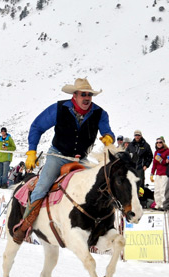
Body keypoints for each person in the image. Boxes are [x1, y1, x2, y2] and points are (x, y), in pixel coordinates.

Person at [14, 78, 114, 243]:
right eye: (83, 94)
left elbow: (107, 131)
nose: (87, 97)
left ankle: (94, 228)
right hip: (57, 156)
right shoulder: (59, 109)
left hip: (82, 159)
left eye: (89, 94)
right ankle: (25, 226)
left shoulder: (100, 113)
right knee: (42, 187)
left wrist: (109, 138)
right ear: (74, 95)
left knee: (96, 189)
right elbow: (37, 127)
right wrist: (31, 151)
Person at [150, 137, 169, 209]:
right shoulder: (156, 152)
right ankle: (158, 204)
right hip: (158, 173)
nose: (158, 144)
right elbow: (154, 164)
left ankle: (163, 204)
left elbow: (167, 163)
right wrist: (152, 173)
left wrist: (161, 160)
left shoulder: (167, 151)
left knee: (163, 189)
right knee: (157, 190)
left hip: (164, 173)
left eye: (160, 142)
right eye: (157, 142)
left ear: (163, 143)